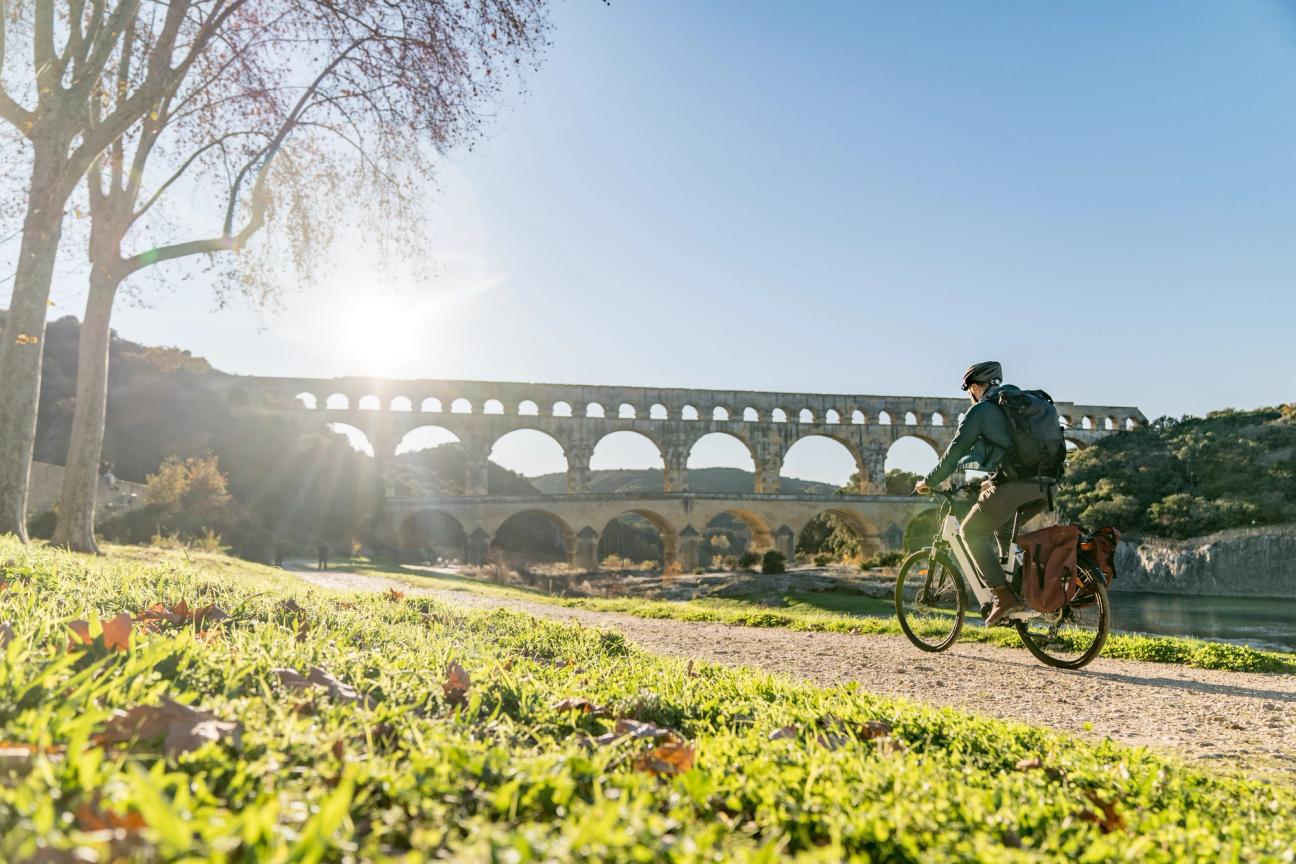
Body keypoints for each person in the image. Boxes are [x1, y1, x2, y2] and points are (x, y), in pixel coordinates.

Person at [914, 361, 1049, 626]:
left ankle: (1002, 596)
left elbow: (954, 453)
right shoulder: (1022, 407)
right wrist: (987, 481)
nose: (969, 397)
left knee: (971, 531)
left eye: (968, 392)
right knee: (1002, 528)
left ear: (974, 386)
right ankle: (1022, 588)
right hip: (1046, 485)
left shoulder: (982, 410)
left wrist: (929, 481)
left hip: (1015, 485)